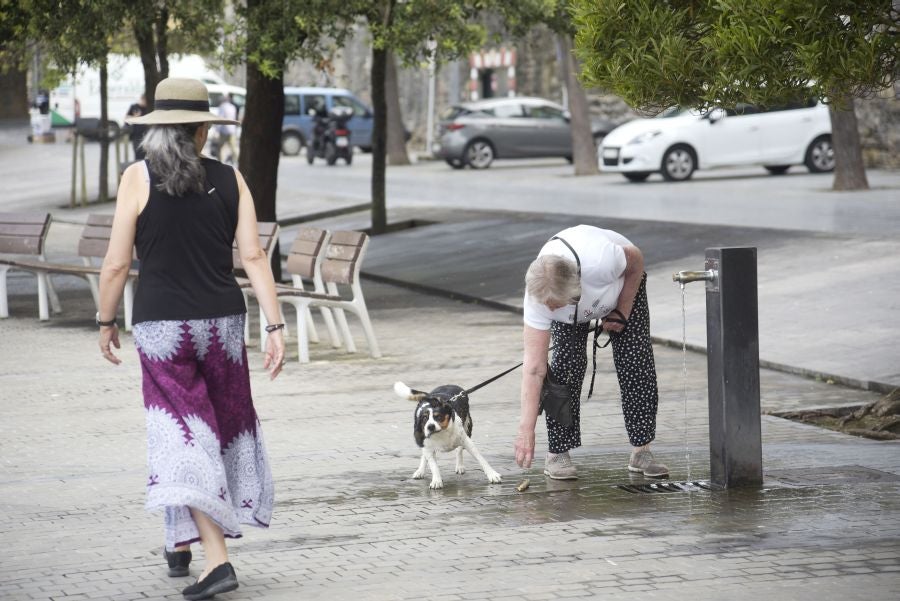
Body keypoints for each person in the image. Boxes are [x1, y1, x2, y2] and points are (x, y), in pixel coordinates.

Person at [98, 78, 285, 600]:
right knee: (215, 431)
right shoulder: (231, 179)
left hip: (162, 330)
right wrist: (274, 325)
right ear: (202, 130)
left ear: (158, 130)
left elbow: (115, 263)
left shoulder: (137, 178)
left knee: (183, 436)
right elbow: (252, 258)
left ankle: (216, 561)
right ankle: (179, 542)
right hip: (223, 326)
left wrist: (104, 320)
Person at [514, 224, 668, 480]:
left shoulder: (601, 260)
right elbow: (534, 368)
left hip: (622, 286)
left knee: (636, 362)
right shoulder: (538, 296)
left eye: (555, 305)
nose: (549, 312)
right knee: (565, 367)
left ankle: (642, 450)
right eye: (546, 307)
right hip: (573, 302)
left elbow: (636, 259)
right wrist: (526, 430)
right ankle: (557, 453)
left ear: (575, 290)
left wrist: (623, 308)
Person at [215, 94, 238, 164]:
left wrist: (217, 130)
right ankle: (236, 160)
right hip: (232, 130)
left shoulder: (222, 107)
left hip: (224, 130)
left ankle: (220, 162)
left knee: (220, 147)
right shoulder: (233, 107)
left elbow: (220, 118)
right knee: (233, 147)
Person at [126, 95, 149, 160]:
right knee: (138, 155)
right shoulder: (134, 107)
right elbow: (126, 119)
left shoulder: (147, 108)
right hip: (136, 136)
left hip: (146, 135)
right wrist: (135, 117)